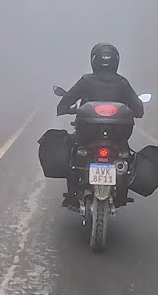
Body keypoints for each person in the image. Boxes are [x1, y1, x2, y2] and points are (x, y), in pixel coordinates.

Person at [56, 42, 144, 207]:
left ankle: (72, 194)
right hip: (117, 137)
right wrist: (135, 111)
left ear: (94, 60)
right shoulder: (122, 82)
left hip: (87, 135)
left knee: (73, 154)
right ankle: (122, 191)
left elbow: (67, 100)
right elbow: (138, 108)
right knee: (126, 155)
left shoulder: (86, 80)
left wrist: (65, 108)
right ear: (116, 61)